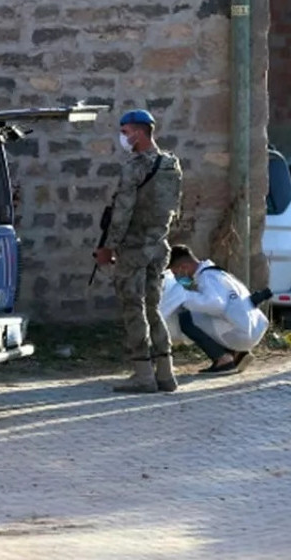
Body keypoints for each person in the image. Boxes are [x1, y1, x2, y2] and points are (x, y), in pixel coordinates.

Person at [95, 109, 184, 392]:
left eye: (125, 132)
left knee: (134, 309)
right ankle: (166, 373)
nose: (123, 137)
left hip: (134, 248)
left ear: (139, 132)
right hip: (159, 246)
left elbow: (122, 212)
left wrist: (108, 248)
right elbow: (174, 209)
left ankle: (143, 374)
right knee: (153, 308)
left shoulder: (134, 167)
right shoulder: (171, 164)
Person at [166, 245, 269, 374]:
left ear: (184, 267)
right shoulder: (218, 273)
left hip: (240, 334)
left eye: (175, 273)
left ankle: (223, 359)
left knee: (186, 319)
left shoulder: (207, 277)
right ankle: (237, 353)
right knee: (204, 317)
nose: (176, 277)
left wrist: (183, 297)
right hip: (254, 328)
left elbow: (215, 304)